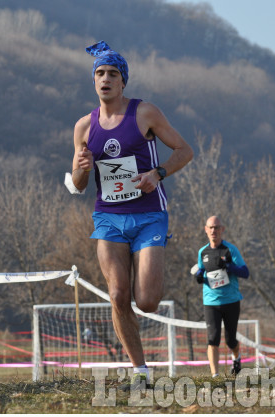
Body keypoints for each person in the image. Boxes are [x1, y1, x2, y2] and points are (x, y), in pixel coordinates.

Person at [70, 41, 193, 388]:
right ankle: (141, 371)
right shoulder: (83, 127)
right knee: (118, 295)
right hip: (108, 217)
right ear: (93, 82)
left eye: (112, 73)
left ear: (123, 81)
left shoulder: (145, 113)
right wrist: (81, 168)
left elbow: (185, 151)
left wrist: (158, 173)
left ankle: (142, 354)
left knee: (148, 301)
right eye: (99, 74)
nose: (105, 79)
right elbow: (79, 185)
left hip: (149, 215)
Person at [192, 215, 249, 378]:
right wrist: (198, 276)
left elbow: (245, 272)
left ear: (222, 229)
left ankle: (236, 358)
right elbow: (201, 270)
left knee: (231, 340)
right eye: (210, 227)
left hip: (231, 300)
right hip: (211, 301)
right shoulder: (202, 252)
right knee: (213, 338)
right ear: (205, 230)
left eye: (216, 227)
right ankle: (215, 375)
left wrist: (230, 266)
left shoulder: (230, 250)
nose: (213, 231)